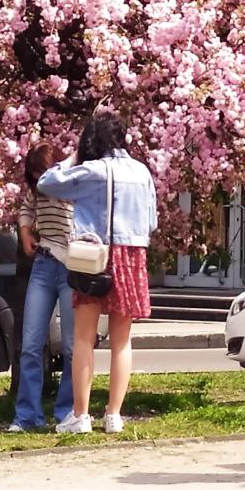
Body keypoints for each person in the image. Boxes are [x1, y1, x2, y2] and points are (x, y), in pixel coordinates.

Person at [37, 112, 158, 435]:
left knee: (83, 338)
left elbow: (46, 182)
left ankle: (80, 416)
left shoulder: (91, 170)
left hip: (94, 256)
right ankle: (114, 415)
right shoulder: (142, 172)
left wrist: (72, 157)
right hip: (132, 255)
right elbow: (151, 222)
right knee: (122, 340)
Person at [9, 143, 76, 432]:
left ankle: (67, 412)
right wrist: (25, 231)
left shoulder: (72, 182)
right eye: (34, 176)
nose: (39, 181)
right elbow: (26, 207)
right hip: (44, 264)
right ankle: (27, 416)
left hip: (72, 265)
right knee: (31, 345)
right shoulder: (37, 189)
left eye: (42, 173)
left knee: (73, 347)